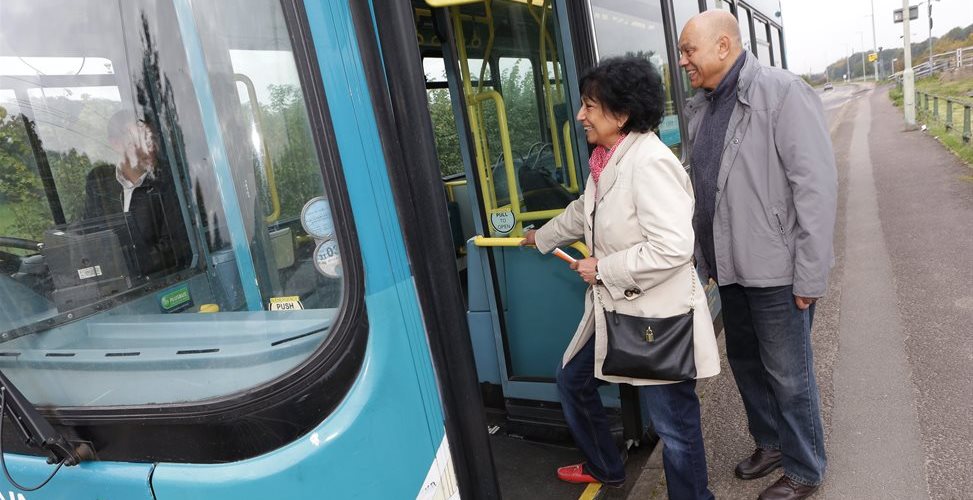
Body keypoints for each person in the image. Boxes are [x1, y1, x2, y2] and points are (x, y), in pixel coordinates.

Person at [522, 56, 720, 499]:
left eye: (590, 106)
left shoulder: (648, 163)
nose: (580, 116)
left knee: (675, 426)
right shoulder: (606, 159)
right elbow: (584, 211)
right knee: (572, 378)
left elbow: (673, 247)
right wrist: (540, 236)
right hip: (617, 308)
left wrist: (602, 268)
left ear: (622, 114)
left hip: (654, 318)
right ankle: (605, 466)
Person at [678, 10, 837, 500]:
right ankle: (770, 443)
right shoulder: (701, 106)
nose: (682, 61)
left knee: (790, 375)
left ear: (724, 47)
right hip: (729, 268)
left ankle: (805, 469)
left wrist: (810, 275)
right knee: (746, 364)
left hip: (776, 269)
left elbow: (816, 188)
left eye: (689, 51)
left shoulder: (783, 93)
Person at [82, 110, 190, 276]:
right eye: (141, 141)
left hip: (159, 282)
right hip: (113, 282)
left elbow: (176, 247)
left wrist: (125, 265)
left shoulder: (168, 181)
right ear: (116, 144)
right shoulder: (99, 181)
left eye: (152, 139)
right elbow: (90, 232)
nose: (151, 148)